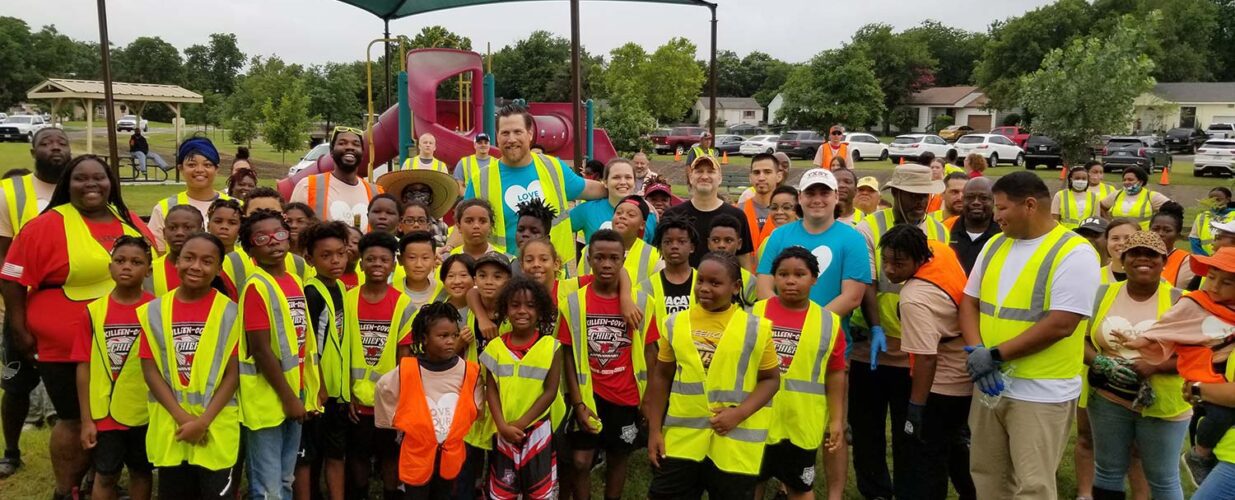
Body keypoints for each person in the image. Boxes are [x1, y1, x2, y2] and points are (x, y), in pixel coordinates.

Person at [1, 154, 154, 498]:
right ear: (66, 184)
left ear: (111, 183)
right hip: (65, 343)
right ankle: (65, 489)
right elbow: (11, 279)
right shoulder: (46, 225)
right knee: (73, 417)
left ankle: (101, 477)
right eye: (80, 178)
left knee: (116, 415)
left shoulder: (128, 221)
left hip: (125, 345)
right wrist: (19, 328)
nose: (91, 185)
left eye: (98, 178)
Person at [961, 171, 1100, 499]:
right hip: (990, 384)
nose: (996, 215)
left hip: (1041, 392)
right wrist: (977, 351)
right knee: (988, 475)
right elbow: (969, 301)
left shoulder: (1074, 253)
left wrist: (993, 355)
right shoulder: (995, 244)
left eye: (1002, 208)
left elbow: (1062, 323)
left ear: (1030, 205)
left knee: (1033, 485)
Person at [644, 252, 778, 500]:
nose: (704, 288)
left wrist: (739, 413)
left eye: (715, 283)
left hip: (733, 443)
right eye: (701, 281)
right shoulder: (675, 324)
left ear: (735, 287)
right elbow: (661, 377)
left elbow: (771, 380)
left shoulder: (756, 328)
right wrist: (655, 431)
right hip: (683, 439)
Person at [850, 164, 948, 500]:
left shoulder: (939, 231)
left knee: (912, 431)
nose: (921, 201)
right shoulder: (869, 227)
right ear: (896, 195)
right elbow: (868, 282)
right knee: (867, 431)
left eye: (926, 195)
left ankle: (909, 491)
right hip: (872, 351)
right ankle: (876, 492)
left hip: (917, 352)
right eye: (914, 195)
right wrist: (876, 326)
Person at [1074, 230, 1189, 500]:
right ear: (1122, 260)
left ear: (1164, 261)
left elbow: (1200, 356)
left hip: (1163, 405)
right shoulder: (1101, 294)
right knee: (1108, 470)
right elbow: (1081, 339)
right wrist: (1101, 362)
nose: (1142, 260)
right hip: (1107, 398)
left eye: (1152, 255)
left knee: (1162, 477)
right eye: (1134, 253)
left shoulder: (1181, 300)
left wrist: (1155, 367)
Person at [1118, 247, 1235, 495]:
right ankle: (1200, 453)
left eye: (1226, 282)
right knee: (1219, 417)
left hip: (1215, 387)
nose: (1214, 286)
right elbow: (1169, 327)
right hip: (1205, 377)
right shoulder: (1196, 303)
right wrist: (1143, 340)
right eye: (1211, 277)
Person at [136, 232, 242, 499]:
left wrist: (203, 422)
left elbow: (233, 374)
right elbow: (150, 371)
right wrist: (184, 419)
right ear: (176, 262)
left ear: (219, 268)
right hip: (172, 426)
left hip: (216, 426)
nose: (196, 266)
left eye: (207, 261)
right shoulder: (154, 311)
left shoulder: (231, 312)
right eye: (189, 258)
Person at [560, 229, 660, 500]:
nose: (606, 264)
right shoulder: (574, 302)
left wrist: (648, 400)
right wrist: (578, 402)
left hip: (626, 397)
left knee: (618, 457)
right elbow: (567, 354)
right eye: (600, 257)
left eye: (614, 258)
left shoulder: (640, 302)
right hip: (589, 398)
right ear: (589, 258)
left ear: (623, 260)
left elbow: (651, 352)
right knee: (581, 461)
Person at [879, 224, 975, 500]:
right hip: (966, 365)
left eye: (899, 264)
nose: (889, 270)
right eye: (886, 260)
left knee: (927, 456)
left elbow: (926, 358)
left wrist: (915, 407)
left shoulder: (913, 298)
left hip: (944, 384)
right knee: (956, 446)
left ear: (919, 259)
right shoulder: (940, 250)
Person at [236, 209, 323, 500]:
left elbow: (303, 344)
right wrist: (288, 398)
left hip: (294, 391)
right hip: (268, 399)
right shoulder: (256, 287)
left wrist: (309, 391)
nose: (273, 241)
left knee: (286, 478)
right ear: (250, 249)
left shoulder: (295, 281)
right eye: (262, 238)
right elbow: (260, 350)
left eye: (279, 233)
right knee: (268, 486)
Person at [457, 104, 607, 268]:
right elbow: (464, 224)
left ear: (530, 134)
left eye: (517, 132)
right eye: (505, 133)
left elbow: (588, 189)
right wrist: (447, 248)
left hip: (552, 275)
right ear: (497, 137)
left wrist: (617, 189)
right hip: (505, 275)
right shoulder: (481, 180)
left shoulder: (553, 167)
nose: (511, 139)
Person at [753, 247, 847, 500]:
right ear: (774, 278)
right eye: (782, 274)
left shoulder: (828, 322)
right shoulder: (755, 315)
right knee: (751, 485)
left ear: (814, 278)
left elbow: (836, 374)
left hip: (801, 424)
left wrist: (836, 420)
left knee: (800, 488)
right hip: (757, 420)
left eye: (800, 274)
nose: (790, 280)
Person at [73, 235, 156, 500]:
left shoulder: (157, 309)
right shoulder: (93, 312)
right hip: (104, 414)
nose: (127, 267)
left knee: (141, 472)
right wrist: (87, 419)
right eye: (120, 261)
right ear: (110, 267)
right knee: (105, 474)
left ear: (148, 270)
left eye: (136, 262)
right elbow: (83, 367)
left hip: (144, 411)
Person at [379, 302, 482, 499]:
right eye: (443, 336)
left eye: (454, 335)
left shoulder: (468, 371)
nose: (451, 341)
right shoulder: (407, 370)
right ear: (424, 338)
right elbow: (383, 389)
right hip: (416, 454)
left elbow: (476, 406)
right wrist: (396, 423)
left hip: (450, 454)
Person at [480, 277, 565, 500]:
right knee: (502, 492)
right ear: (505, 309)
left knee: (539, 492)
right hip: (503, 431)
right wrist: (501, 425)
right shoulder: (495, 347)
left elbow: (550, 391)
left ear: (541, 310)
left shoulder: (551, 347)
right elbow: (491, 390)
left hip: (538, 433)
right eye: (515, 305)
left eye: (530, 305)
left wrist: (521, 423)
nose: (522, 311)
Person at [345, 231, 415, 500]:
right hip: (356, 401)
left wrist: (402, 398)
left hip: (389, 402)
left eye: (383, 260)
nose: (377, 264)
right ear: (361, 263)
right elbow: (342, 352)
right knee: (358, 455)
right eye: (370, 259)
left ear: (393, 264)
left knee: (390, 457)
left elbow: (405, 354)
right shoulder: (349, 299)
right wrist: (346, 391)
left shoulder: (403, 303)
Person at [756, 169, 868, 316]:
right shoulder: (778, 236)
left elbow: (852, 297)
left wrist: (810, 324)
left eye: (824, 193)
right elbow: (763, 288)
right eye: (810, 193)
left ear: (836, 196)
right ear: (800, 198)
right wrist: (787, 321)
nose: (817, 200)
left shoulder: (854, 239)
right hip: (780, 334)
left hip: (830, 335)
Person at [298, 221, 351, 500]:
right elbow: (310, 345)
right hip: (318, 392)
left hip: (338, 392)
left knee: (335, 452)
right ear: (310, 259)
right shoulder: (311, 292)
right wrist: (316, 387)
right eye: (326, 255)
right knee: (306, 456)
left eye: (340, 253)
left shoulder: (341, 288)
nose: (335, 261)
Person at [663, 155, 755, 269]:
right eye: (699, 171)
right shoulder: (672, 215)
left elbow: (744, 262)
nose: (704, 176)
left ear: (720, 178)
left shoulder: (737, 216)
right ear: (691, 177)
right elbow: (663, 259)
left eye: (711, 172)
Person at [148, 137, 233, 252]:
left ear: (216, 169)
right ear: (181, 168)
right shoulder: (164, 208)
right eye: (192, 165)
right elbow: (157, 252)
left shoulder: (235, 206)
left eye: (207, 165)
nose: (199, 170)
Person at [290, 127, 383, 228]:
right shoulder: (308, 186)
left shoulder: (376, 193)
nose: (349, 147)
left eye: (356, 144)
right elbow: (294, 229)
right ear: (331, 151)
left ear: (362, 154)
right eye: (342, 143)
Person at [570, 158, 659, 244]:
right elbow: (557, 227)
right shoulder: (587, 210)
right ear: (605, 182)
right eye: (616, 177)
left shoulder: (648, 216)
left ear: (634, 182)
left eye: (628, 177)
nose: (623, 182)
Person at [578, 196, 662, 282]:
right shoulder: (589, 251)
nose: (622, 217)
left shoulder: (654, 256)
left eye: (631, 215)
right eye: (618, 213)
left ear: (642, 225)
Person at [638, 215, 699, 322]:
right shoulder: (645, 288)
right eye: (668, 242)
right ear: (660, 248)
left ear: (692, 247)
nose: (674, 246)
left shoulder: (704, 283)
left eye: (681, 241)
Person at [147, 205, 205, 296]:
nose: (179, 233)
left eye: (187, 228)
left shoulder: (211, 270)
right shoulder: (149, 271)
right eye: (173, 228)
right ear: (164, 233)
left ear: (201, 232)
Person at [950, 177, 999, 275]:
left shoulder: (1004, 234)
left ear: (994, 201)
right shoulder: (945, 228)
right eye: (970, 198)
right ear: (962, 200)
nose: (976, 202)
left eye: (984, 198)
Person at [706, 215, 758, 306]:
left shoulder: (750, 281)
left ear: (739, 244)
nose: (721, 245)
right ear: (708, 243)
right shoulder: (698, 275)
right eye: (715, 240)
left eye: (728, 241)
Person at [740, 153, 784, 254]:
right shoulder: (738, 211)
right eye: (756, 173)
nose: (761, 177)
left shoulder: (789, 215)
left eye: (767, 172)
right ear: (750, 177)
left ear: (779, 176)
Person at [1100, 166, 1169, 229]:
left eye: (1130, 180)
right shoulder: (1116, 194)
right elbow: (1101, 207)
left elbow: (1174, 209)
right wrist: (1108, 223)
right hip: (1120, 237)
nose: (1126, 182)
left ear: (1141, 182)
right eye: (1124, 180)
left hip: (1141, 239)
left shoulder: (1152, 196)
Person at [1151, 202, 1195, 290]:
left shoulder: (1187, 262)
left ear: (1177, 235)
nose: (1160, 234)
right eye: (1155, 229)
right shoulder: (1135, 256)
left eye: (1167, 230)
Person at [1190, 187, 1235, 256]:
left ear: (1228, 200)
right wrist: (1203, 257)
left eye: (1218, 199)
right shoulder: (1202, 216)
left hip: (1228, 257)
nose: (1214, 202)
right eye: (1211, 199)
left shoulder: (1233, 215)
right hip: (1205, 257)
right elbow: (1194, 239)